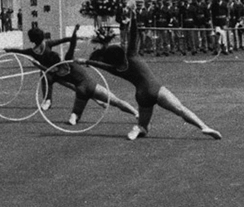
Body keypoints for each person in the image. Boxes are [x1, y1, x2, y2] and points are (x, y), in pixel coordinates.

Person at [83, 14, 221, 141]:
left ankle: (139, 128)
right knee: (180, 109)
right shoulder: (131, 56)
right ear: (121, 53)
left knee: (144, 125)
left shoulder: (117, 70)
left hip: (142, 96)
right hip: (156, 90)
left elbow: (102, 66)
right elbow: (134, 36)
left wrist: (86, 62)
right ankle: (203, 127)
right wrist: (134, 19)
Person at [5, 25, 138, 126]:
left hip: (78, 90)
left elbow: (44, 68)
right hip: (90, 86)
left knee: (74, 112)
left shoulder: (54, 73)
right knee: (116, 101)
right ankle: (136, 113)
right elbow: (72, 45)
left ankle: (71, 114)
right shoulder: (68, 60)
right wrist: (75, 32)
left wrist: (37, 65)